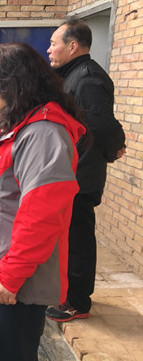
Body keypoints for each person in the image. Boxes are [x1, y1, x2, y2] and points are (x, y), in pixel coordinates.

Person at [0, 43, 86, 360]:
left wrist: (11, 276)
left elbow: (41, 216)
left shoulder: (42, 134)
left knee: (13, 353)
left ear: (10, 88)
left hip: (21, 277)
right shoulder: (21, 125)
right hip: (9, 267)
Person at [45, 17, 126, 322]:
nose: (49, 49)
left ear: (73, 46)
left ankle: (78, 302)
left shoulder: (88, 78)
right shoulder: (72, 75)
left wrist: (114, 148)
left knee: (78, 238)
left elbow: (101, 124)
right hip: (70, 172)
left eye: (53, 43)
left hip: (80, 176)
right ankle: (68, 292)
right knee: (68, 237)